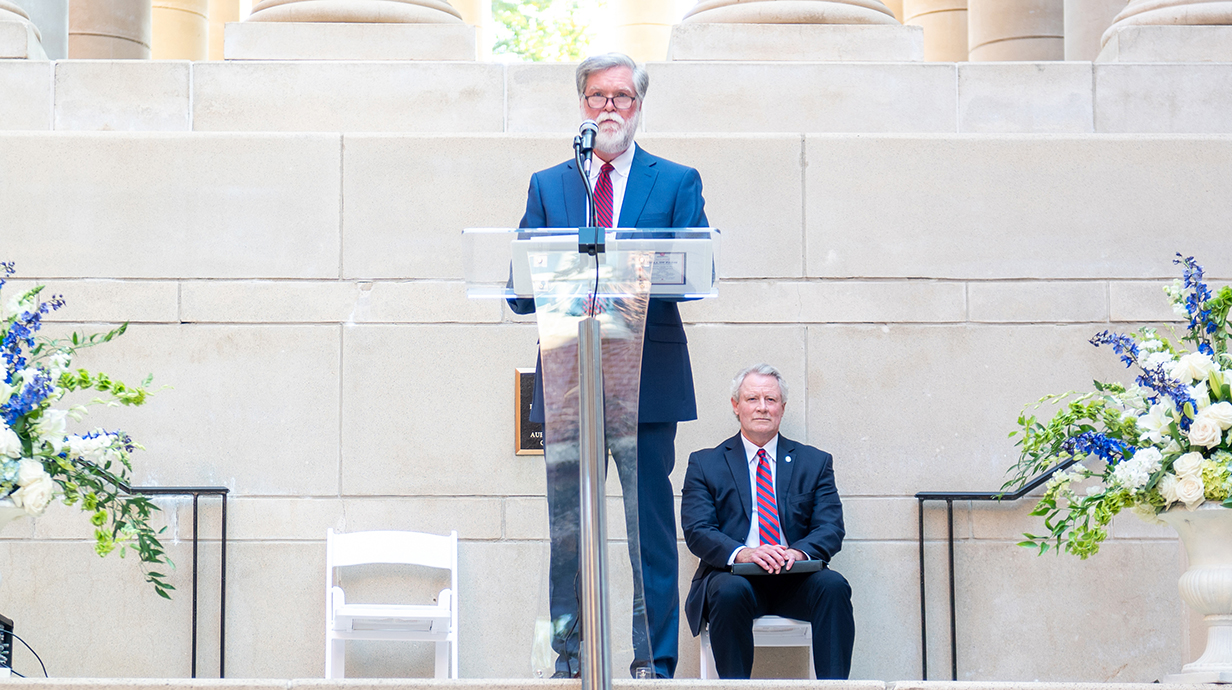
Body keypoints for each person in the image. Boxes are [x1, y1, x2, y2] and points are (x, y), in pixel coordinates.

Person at [508, 52, 707, 679]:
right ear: (582, 105)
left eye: (622, 96)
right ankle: (565, 660)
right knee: (566, 532)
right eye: (599, 97)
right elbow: (516, 287)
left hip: (646, 383)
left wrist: (628, 272)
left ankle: (655, 662)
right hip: (571, 380)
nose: (610, 107)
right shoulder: (550, 184)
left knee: (646, 530)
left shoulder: (675, 181)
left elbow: (694, 274)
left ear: (640, 105)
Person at [680, 364, 855, 679]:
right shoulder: (705, 463)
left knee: (834, 586)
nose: (762, 407)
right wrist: (744, 553)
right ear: (736, 406)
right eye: (752, 399)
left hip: (794, 580)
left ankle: (835, 689)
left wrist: (798, 553)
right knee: (728, 591)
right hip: (735, 577)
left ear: (782, 408)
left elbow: (831, 528)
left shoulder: (815, 462)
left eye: (770, 400)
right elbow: (697, 530)